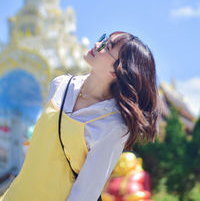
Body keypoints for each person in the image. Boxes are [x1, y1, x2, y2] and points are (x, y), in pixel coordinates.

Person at [0, 31, 160, 201]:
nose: (98, 45)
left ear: (117, 70)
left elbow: (86, 192)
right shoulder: (60, 85)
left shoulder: (114, 125)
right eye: (102, 39)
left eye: (108, 47)